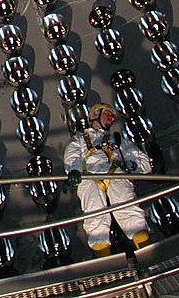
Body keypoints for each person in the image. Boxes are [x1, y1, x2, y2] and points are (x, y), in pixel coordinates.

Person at [63, 103, 152, 257]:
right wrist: (74, 172)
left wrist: (131, 165)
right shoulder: (79, 140)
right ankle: (105, 263)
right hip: (89, 177)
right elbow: (72, 158)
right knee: (95, 219)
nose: (111, 118)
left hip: (115, 174)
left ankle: (148, 255)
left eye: (112, 116)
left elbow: (144, 163)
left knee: (130, 211)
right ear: (95, 114)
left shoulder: (118, 140)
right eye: (107, 113)